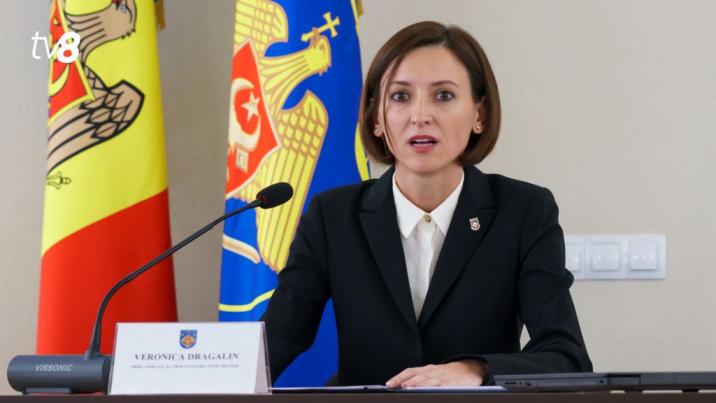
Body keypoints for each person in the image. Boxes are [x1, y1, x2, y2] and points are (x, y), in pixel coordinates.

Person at [261, 20, 592, 388]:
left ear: (479, 114)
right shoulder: (332, 216)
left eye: (444, 95)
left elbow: (567, 357)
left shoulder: (524, 211)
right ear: (376, 119)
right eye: (400, 96)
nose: (420, 116)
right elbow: (275, 341)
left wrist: (475, 370)